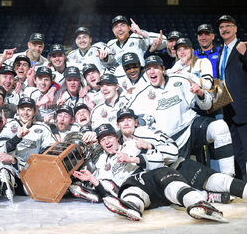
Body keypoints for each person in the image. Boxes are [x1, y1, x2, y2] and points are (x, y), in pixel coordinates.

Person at [72, 123, 227, 222]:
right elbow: (111, 190)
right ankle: (131, 207)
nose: (106, 141)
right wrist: (93, 180)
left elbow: (159, 160)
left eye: (109, 137)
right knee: (127, 192)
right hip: (139, 191)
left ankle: (204, 201)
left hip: (157, 178)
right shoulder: (102, 163)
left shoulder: (133, 144)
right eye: (102, 140)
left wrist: (143, 151)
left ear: (117, 138)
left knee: (171, 185)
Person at [126, 55, 234, 176]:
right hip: (169, 142)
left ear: (163, 69)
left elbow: (207, 105)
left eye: (155, 67)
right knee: (190, 182)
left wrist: (200, 94)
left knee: (219, 127)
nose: (151, 71)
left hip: (190, 127)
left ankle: (229, 176)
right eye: (148, 69)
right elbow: (125, 117)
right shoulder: (140, 94)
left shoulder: (181, 80)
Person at [116, 107, 247, 204]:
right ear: (117, 124)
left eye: (129, 119)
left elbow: (173, 151)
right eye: (122, 121)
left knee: (220, 181)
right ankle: (210, 197)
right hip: (158, 184)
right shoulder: (118, 146)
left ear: (136, 122)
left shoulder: (145, 132)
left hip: (178, 167)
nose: (126, 123)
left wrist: (150, 146)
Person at [0, 97, 57, 194]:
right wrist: (17, 137)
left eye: (29, 110)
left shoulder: (42, 128)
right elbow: (2, 149)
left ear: (34, 112)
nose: (25, 113)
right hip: (12, 168)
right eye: (22, 109)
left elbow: (50, 150)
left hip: (32, 171)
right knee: (3, 170)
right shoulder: (9, 125)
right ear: (17, 110)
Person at [217, 15, 247, 181]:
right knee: (237, 151)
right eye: (221, 27)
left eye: (228, 25)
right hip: (228, 108)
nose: (225, 29)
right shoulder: (222, 51)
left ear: (236, 28)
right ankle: (244, 185)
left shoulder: (243, 47)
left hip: (244, 108)